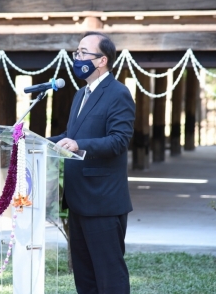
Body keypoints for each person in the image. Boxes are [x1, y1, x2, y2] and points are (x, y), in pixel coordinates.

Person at [48, 31, 135, 293]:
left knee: (109, 277)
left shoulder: (118, 93)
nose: (78, 58)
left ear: (102, 61)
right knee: (85, 277)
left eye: (84, 53)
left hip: (103, 202)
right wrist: (38, 141)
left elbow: (119, 140)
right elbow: (72, 136)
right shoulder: (80, 94)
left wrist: (79, 145)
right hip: (78, 200)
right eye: (77, 52)